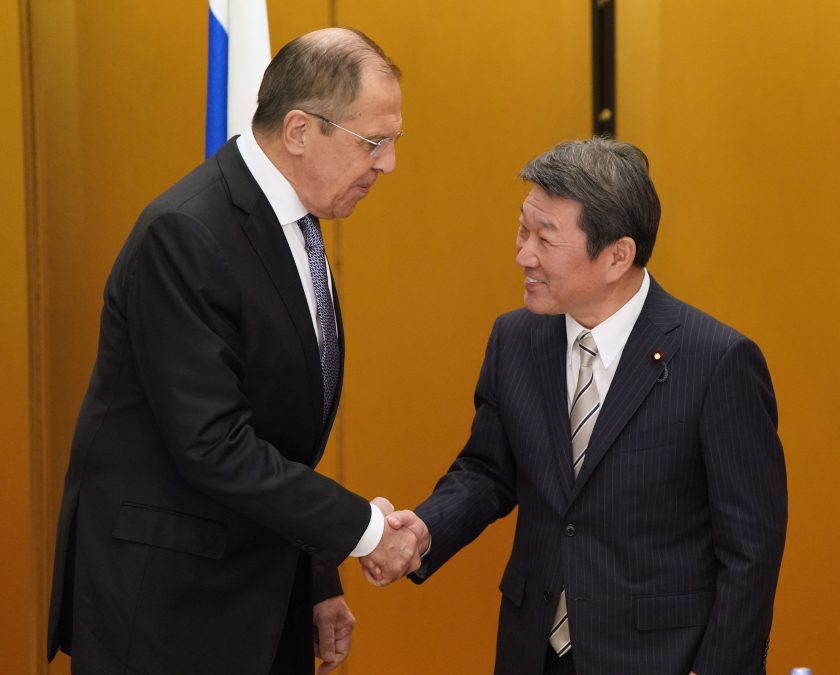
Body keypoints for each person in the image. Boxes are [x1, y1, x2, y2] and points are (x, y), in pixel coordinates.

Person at [47, 27, 422, 674]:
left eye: (393, 142)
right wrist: (364, 529)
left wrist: (318, 577)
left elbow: (277, 436)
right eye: (374, 142)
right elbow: (213, 443)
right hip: (169, 610)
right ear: (300, 130)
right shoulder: (187, 233)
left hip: (259, 593)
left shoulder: (299, 225)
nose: (387, 163)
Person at [366, 138, 788, 674]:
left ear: (618, 256)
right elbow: (487, 471)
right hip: (534, 652)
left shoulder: (717, 362)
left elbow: (751, 551)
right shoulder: (515, 339)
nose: (524, 254)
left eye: (546, 238)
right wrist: (425, 529)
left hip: (657, 658)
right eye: (524, 229)